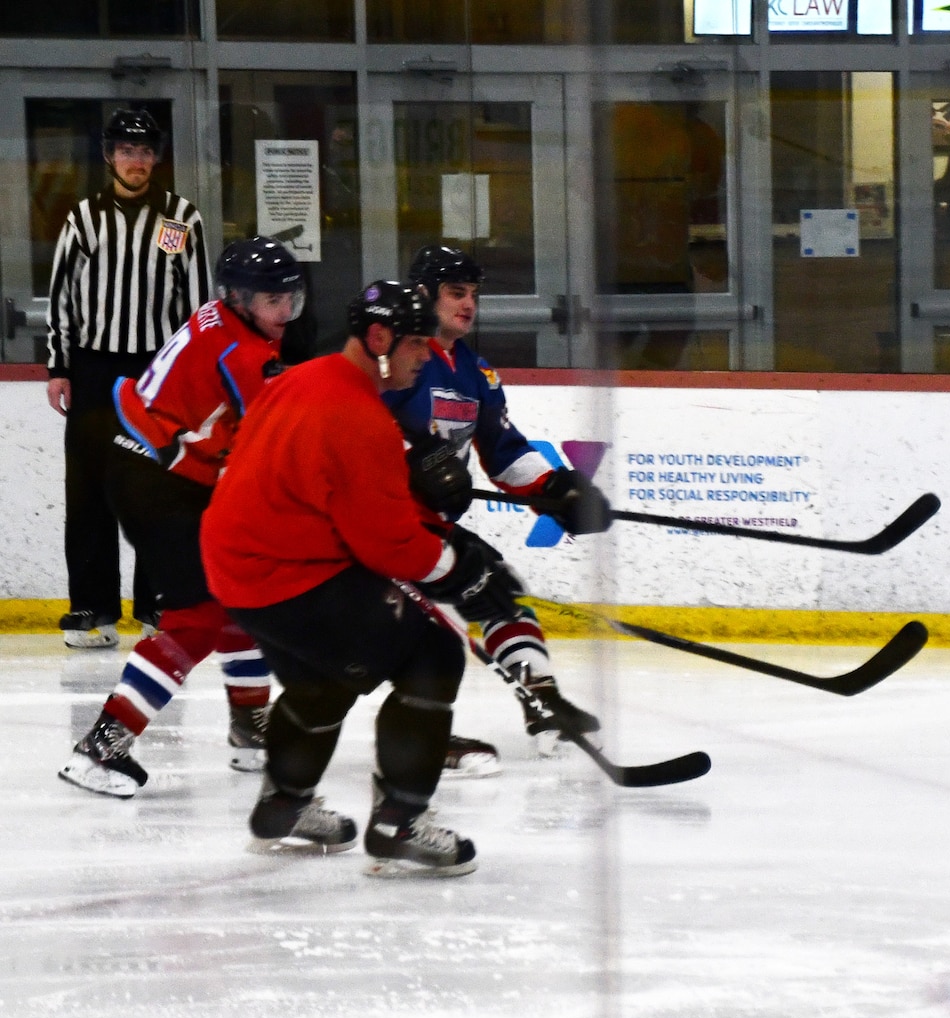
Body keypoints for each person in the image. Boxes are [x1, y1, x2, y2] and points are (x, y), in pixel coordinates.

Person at [202, 280, 514, 876]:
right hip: (290, 573)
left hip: (236, 569)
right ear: (379, 338)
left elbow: (330, 486)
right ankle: (400, 823)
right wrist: (463, 572)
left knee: (324, 682)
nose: (426, 354)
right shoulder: (357, 413)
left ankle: (282, 808)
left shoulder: (303, 377)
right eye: (417, 343)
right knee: (434, 654)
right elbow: (391, 545)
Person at [55, 237, 301, 798]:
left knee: (240, 589)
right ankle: (104, 744)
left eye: (290, 298)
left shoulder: (217, 317)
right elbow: (267, 443)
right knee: (197, 620)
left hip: (145, 461)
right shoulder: (246, 354)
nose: (284, 311)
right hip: (157, 478)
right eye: (271, 300)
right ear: (237, 298)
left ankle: (249, 729)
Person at [382, 244, 611, 773]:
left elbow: (504, 454)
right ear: (424, 296)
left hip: (431, 526)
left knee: (499, 587)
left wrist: (557, 488)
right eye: (455, 293)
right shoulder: (395, 357)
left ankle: (542, 700)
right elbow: (351, 425)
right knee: (429, 633)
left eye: (473, 295)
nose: (468, 305)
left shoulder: (475, 371)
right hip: (380, 525)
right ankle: (417, 737)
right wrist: (410, 460)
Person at [46, 108, 210, 648]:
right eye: (125, 150)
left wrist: (195, 380)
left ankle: (159, 603)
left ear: (155, 157)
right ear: (109, 155)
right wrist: (59, 368)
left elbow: (200, 309)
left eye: (143, 151)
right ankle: (91, 609)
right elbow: (62, 299)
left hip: (156, 374)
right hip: (94, 371)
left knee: (161, 489)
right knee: (89, 490)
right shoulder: (84, 218)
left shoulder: (182, 219)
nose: (135, 160)